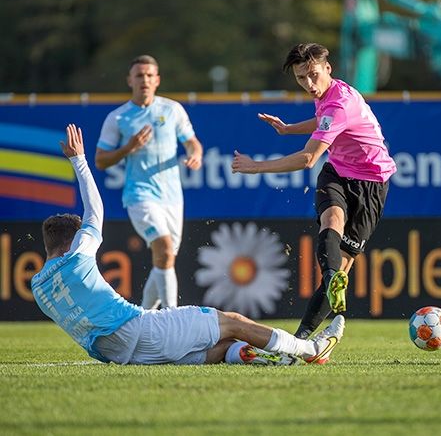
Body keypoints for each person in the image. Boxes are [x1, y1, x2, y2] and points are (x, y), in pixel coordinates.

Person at [31, 124, 344, 366]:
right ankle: (309, 349)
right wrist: (79, 161)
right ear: (72, 241)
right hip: (141, 330)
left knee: (219, 349)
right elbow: (94, 211)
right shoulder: (78, 257)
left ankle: (255, 355)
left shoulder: (38, 286)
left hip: (117, 353)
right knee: (232, 321)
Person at [232, 43, 397, 339]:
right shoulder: (328, 95)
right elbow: (323, 121)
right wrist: (289, 129)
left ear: (328, 69)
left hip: (371, 183)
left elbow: (308, 160)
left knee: (343, 264)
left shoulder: (340, 103)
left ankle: (302, 336)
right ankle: (330, 283)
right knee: (331, 220)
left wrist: (256, 167)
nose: (308, 84)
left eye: (313, 75)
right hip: (337, 172)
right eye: (300, 78)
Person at [95, 55, 203, 309]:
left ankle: (144, 318)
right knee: (164, 249)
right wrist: (128, 147)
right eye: (139, 75)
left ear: (157, 80)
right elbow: (101, 160)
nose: (144, 79)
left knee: (164, 259)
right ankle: (172, 320)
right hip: (139, 195)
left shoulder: (172, 109)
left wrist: (195, 154)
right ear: (129, 80)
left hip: (173, 198)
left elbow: (192, 142)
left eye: (149, 75)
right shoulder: (118, 118)